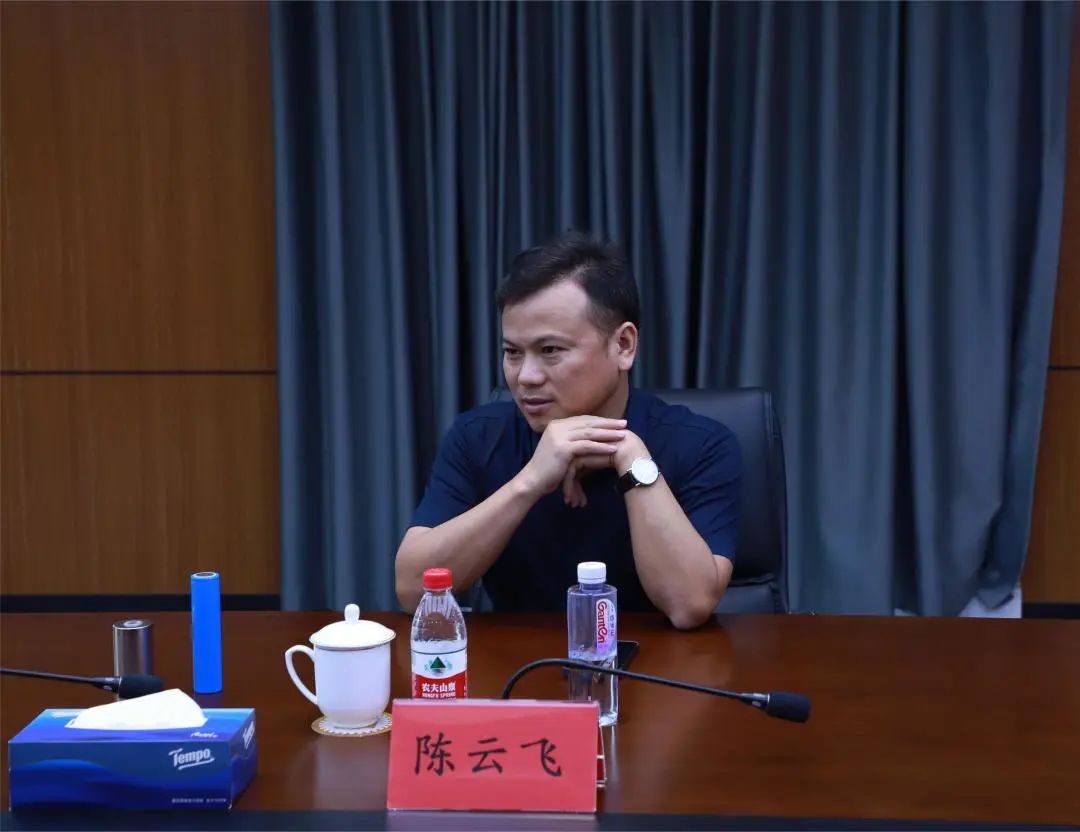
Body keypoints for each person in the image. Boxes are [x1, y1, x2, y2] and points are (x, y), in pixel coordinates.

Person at [395, 232, 741, 629]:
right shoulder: (476, 438)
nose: (526, 376)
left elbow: (689, 606)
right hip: (515, 663)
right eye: (512, 353)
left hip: (657, 664)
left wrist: (630, 456)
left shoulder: (702, 444)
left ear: (624, 345)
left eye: (550, 351)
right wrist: (529, 482)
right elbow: (411, 590)